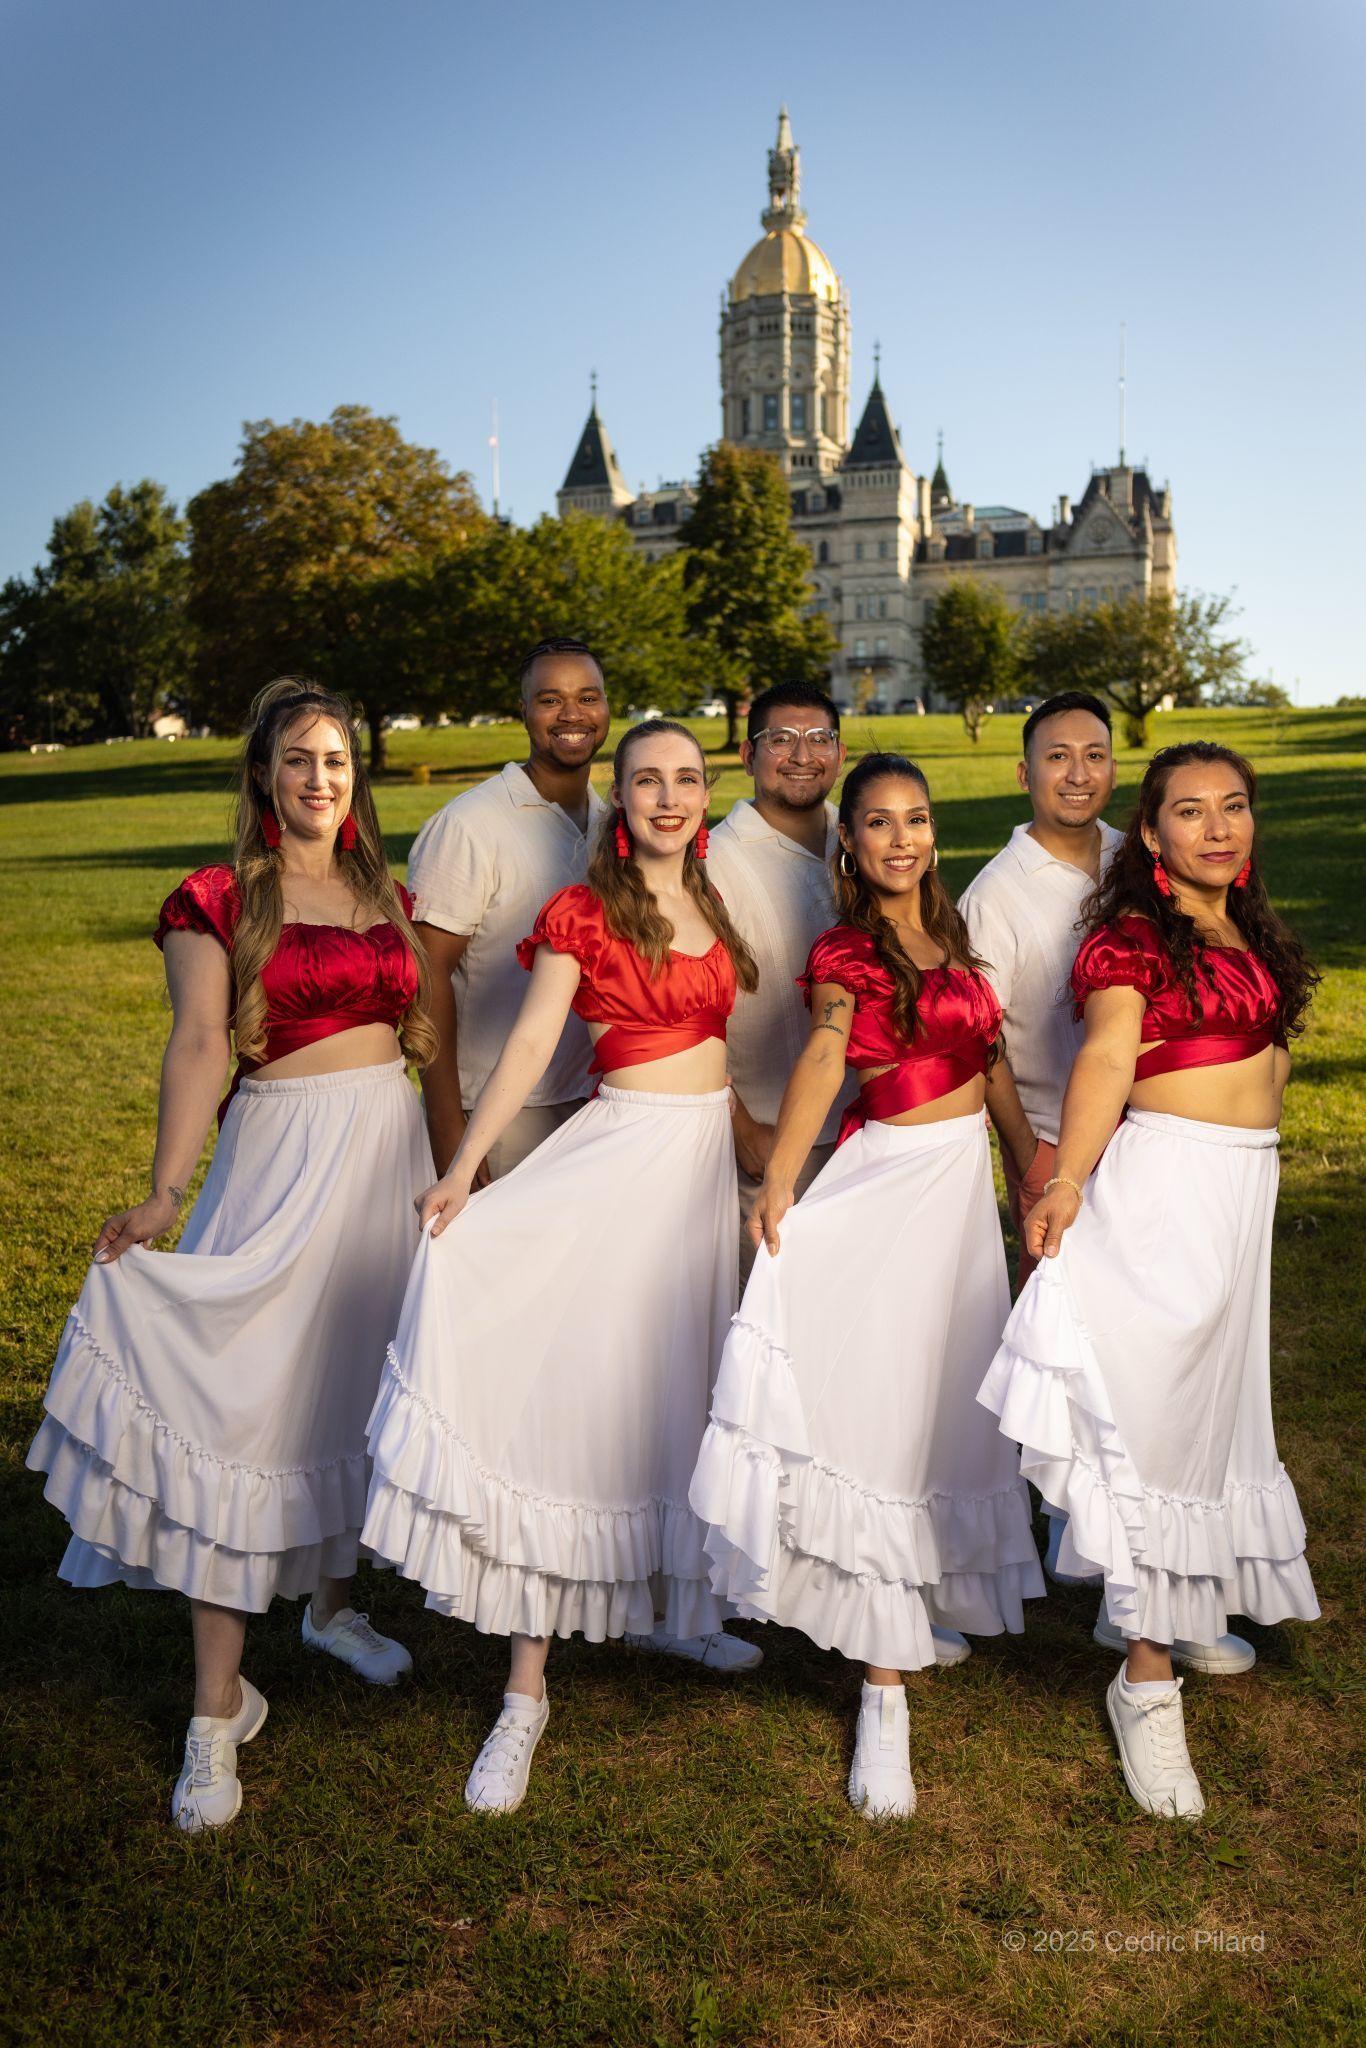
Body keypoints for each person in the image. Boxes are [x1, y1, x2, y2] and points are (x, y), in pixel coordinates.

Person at [26, 679, 436, 1833]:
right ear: (262, 774)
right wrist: (166, 1188)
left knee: (358, 1385)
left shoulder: (386, 892)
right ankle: (217, 1707)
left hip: (385, 1155)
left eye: (336, 760)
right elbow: (201, 1041)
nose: (320, 778)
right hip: (280, 1163)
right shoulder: (219, 897)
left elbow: (430, 1030)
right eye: (298, 759)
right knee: (240, 1407)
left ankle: (332, 1606)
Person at [362, 720, 765, 1816]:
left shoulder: (714, 896)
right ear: (619, 799)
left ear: (704, 794)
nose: (669, 796)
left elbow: (718, 1054)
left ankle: (673, 1611)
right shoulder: (584, 910)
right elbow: (535, 1043)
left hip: (693, 1180)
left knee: (672, 1387)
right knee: (574, 1399)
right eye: (648, 780)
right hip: (619, 1164)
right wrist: (462, 1168)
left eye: (687, 779)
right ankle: (524, 1690)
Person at [689, 754, 1047, 1820]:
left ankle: (904, 1595)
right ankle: (882, 1695)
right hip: (886, 1186)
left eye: (917, 820)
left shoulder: (958, 942)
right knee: (882, 1411)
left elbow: (989, 1066)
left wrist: (1032, 1169)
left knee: (940, 1400)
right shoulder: (847, 948)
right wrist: (779, 1178)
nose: (901, 838)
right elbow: (823, 1055)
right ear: (849, 842)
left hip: (957, 1205)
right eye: (879, 823)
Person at [978, 742, 1321, 1819]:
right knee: (1154, 1421)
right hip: (1164, 1190)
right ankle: (1144, 1679)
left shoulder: (1242, 922)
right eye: (1190, 810)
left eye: (1233, 806)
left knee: (1210, 1413)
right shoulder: (1131, 936)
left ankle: (1181, 1594)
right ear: (1153, 833)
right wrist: (1064, 1179)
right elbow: (1105, 1060)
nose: (1217, 826)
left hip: (1237, 1193)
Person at [958, 690, 1120, 1589]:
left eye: (1094, 754)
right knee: (1062, 1336)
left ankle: (1130, 1500)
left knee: (1129, 1330)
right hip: (1055, 1140)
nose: (1077, 773)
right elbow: (977, 1041)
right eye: (1058, 757)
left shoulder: (1141, 860)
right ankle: (1069, 1519)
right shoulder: (996, 894)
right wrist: (1027, 1154)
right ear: (1024, 774)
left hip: (1143, 1139)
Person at [408, 638, 612, 1182]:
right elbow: (426, 976)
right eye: (550, 700)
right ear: (523, 711)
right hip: (497, 1113)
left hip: (596, 1104)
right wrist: (449, 1129)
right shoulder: (468, 825)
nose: (572, 714)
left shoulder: (613, 824)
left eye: (587, 697)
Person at [705, 681, 855, 1285]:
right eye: (781, 739)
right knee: (767, 1316)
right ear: (748, 755)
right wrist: (739, 1124)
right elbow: (682, 1012)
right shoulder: (710, 862)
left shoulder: (866, 840)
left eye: (819, 738)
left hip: (871, 1132)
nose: (802, 755)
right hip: (766, 1140)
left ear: (840, 755)